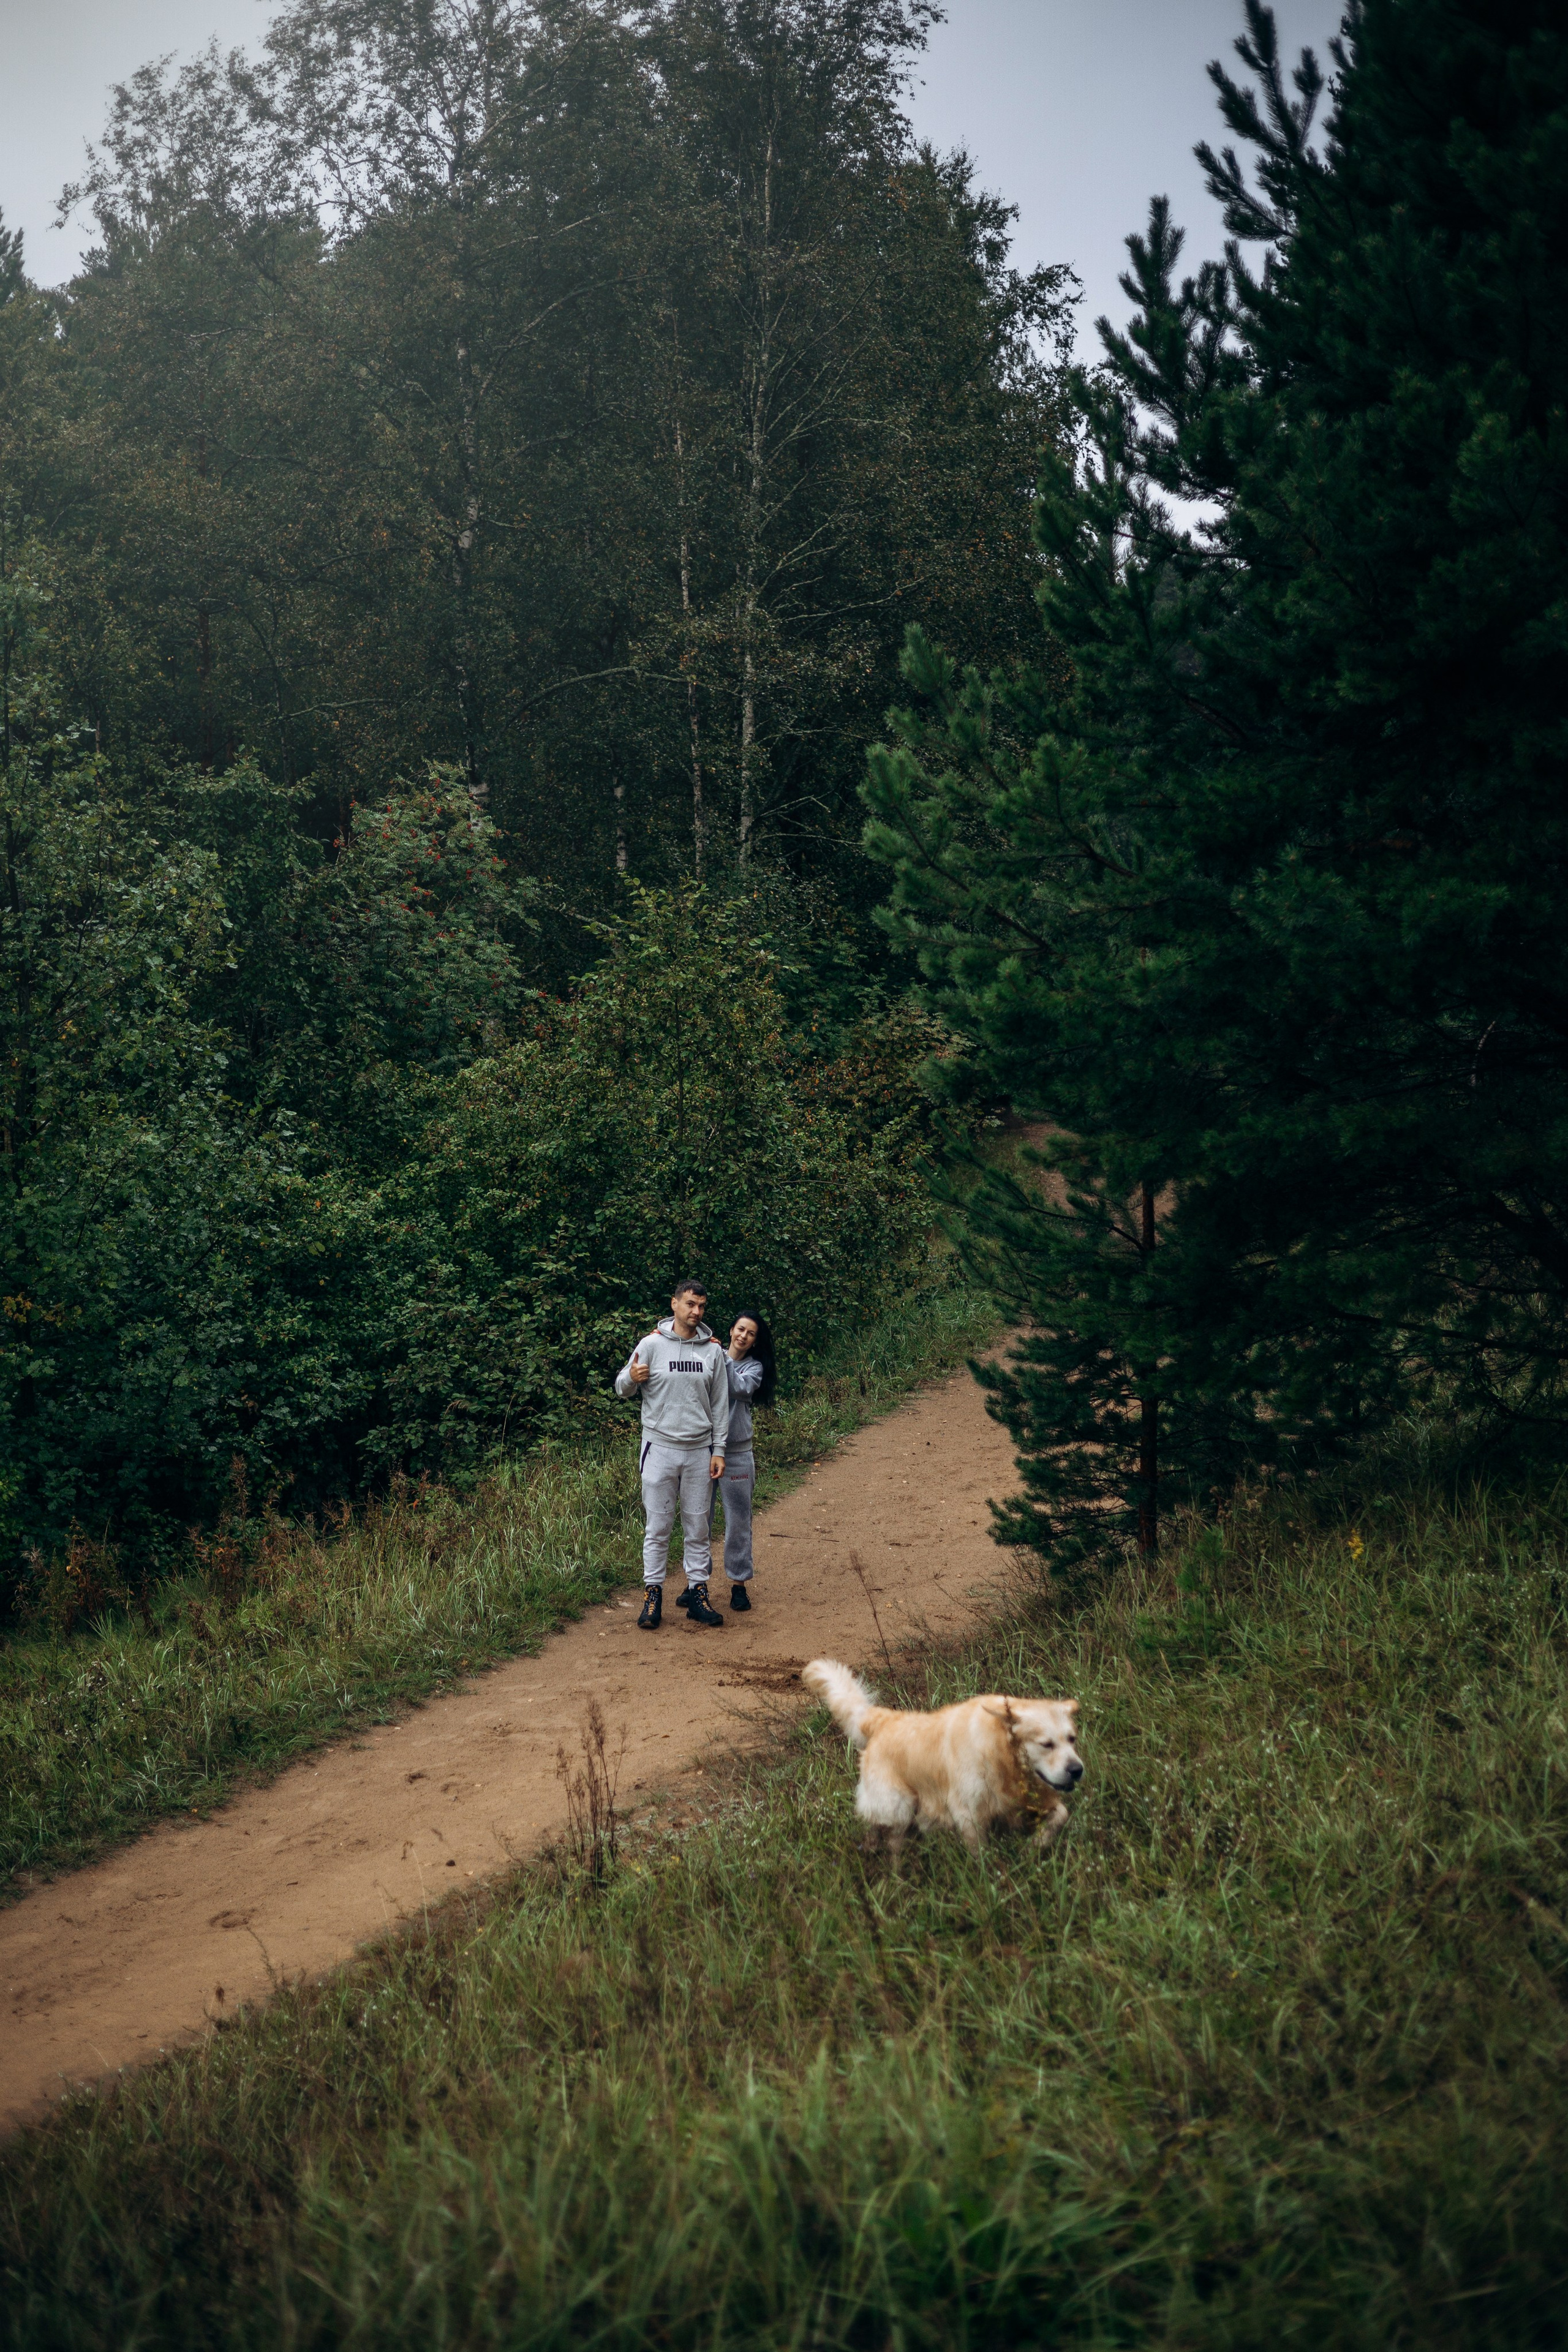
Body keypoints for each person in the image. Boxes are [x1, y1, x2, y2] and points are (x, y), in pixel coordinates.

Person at [614, 1279, 729, 1630]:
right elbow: (621, 1388)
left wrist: (719, 1450)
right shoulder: (651, 1344)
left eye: (702, 1306)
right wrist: (632, 1377)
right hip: (659, 1448)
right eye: (691, 1304)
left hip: (699, 1451)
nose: (697, 1312)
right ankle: (653, 1596)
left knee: (698, 1526)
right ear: (674, 1304)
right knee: (658, 1526)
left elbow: (720, 1404)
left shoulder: (712, 1351)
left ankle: (698, 1593)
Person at [707, 1312, 775, 1611]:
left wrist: (720, 1358)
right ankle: (696, 1582)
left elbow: (738, 1388)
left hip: (737, 1454)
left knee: (738, 1521)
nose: (743, 1336)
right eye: (740, 1329)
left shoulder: (754, 1368)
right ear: (731, 1330)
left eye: (751, 1333)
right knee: (699, 1520)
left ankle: (738, 1585)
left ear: (755, 1341)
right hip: (704, 1450)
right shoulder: (712, 1357)